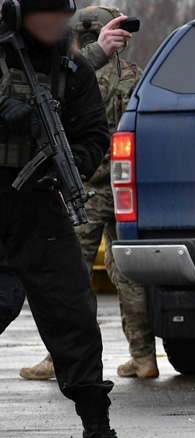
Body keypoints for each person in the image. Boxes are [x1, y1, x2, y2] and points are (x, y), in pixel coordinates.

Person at [0, 0, 137, 438]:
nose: (53, 26)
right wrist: (9, 111)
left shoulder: (71, 68)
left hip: (37, 203)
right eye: (43, 16)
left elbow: (94, 134)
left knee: (73, 311)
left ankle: (98, 432)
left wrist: (73, 162)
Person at [20, 5, 156, 381]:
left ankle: (56, 359)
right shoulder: (137, 77)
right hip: (127, 187)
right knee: (127, 274)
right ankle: (144, 356)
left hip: (86, 187)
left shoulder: (76, 74)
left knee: (69, 277)